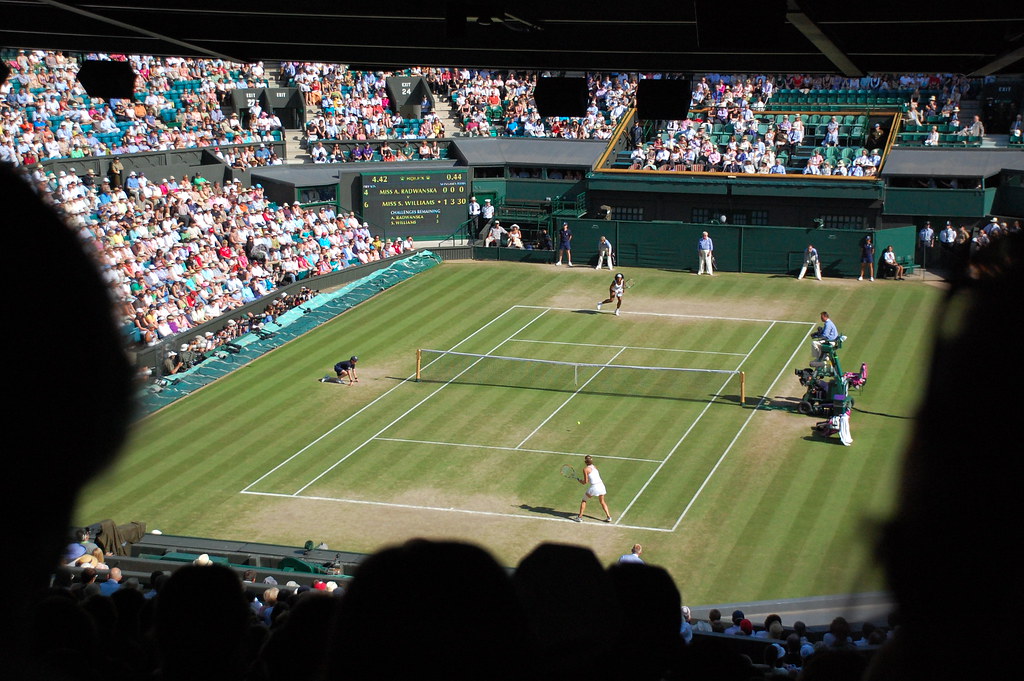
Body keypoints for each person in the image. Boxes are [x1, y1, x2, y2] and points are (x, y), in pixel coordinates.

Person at [573, 455, 611, 523]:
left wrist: (579, 480)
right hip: (601, 485)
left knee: (584, 500)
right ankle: (608, 517)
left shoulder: (585, 469)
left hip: (594, 487)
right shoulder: (594, 467)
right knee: (602, 502)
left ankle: (580, 517)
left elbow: (585, 482)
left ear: (585, 462)